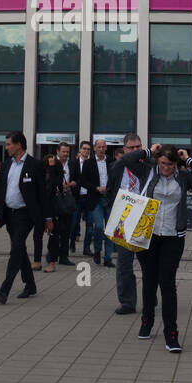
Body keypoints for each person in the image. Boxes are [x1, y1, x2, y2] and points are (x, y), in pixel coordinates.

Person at [111, 143, 192, 354]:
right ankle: (147, 320)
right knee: (149, 280)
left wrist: (188, 159)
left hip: (173, 237)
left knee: (167, 284)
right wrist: (149, 151)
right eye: (163, 163)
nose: (166, 168)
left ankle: (171, 334)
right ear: (158, 161)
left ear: (176, 163)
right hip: (148, 235)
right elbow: (126, 160)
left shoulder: (182, 177)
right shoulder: (147, 170)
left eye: (171, 164)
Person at [0, 132, 51, 304]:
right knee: (19, 250)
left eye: (8, 144)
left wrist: (48, 218)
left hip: (26, 214)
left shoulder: (34, 165)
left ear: (19, 145)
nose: (6, 148)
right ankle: (30, 285)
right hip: (9, 213)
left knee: (16, 248)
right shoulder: (6, 165)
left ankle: (5, 289)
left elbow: (43, 194)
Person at [105, 133, 147, 315]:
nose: (136, 151)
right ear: (124, 150)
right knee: (124, 264)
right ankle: (127, 302)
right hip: (122, 219)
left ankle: (150, 298)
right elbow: (110, 191)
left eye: (139, 147)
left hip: (144, 218)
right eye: (132, 148)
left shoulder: (149, 167)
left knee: (149, 264)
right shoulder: (115, 167)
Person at [81, 138, 112, 266]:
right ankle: (98, 251)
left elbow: (116, 178)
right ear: (94, 148)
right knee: (99, 226)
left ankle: (108, 258)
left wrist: (109, 188)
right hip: (95, 199)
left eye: (103, 147)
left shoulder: (111, 161)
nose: (101, 149)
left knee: (110, 229)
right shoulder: (88, 163)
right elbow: (83, 181)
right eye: (98, 147)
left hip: (109, 199)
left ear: (106, 148)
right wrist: (96, 188)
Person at [45, 141, 74, 272]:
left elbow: (79, 178)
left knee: (66, 230)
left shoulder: (72, 163)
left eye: (67, 152)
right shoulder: (52, 163)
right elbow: (49, 180)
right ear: (58, 152)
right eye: (63, 152)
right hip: (54, 202)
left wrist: (73, 183)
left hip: (67, 200)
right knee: (55, 231)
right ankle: (51, 256)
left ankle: (64, 256)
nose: (66, 154)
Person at [68, 141, 90, 253]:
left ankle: (86, 247)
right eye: (84, 148)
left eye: (88, 149)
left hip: (89, 197)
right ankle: (71, 243)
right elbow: (70, 177)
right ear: (80, 150)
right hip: (77, 197)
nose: (86, 151)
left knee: (90, 224)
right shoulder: (73, 163)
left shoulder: (92, 164)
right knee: (74, 222)